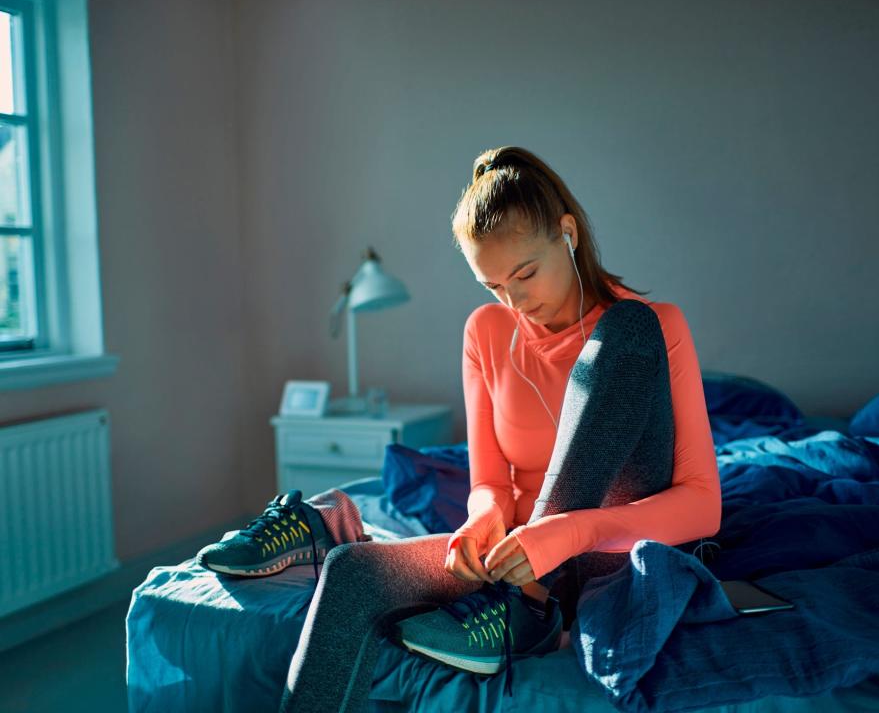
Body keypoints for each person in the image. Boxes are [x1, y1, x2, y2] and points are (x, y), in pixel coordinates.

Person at [199, 145, 721, 712]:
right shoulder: (487, 332)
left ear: (567, 234)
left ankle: (530, 605)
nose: (515, 301)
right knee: (351, 572)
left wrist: (568, 534)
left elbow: (702, 506)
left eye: (525, 273)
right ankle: (519, 605)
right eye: (494, 286)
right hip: (514, 565)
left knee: (630, 327)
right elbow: (489, 481)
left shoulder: (652, 328)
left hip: (612, 553)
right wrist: (485, 519)